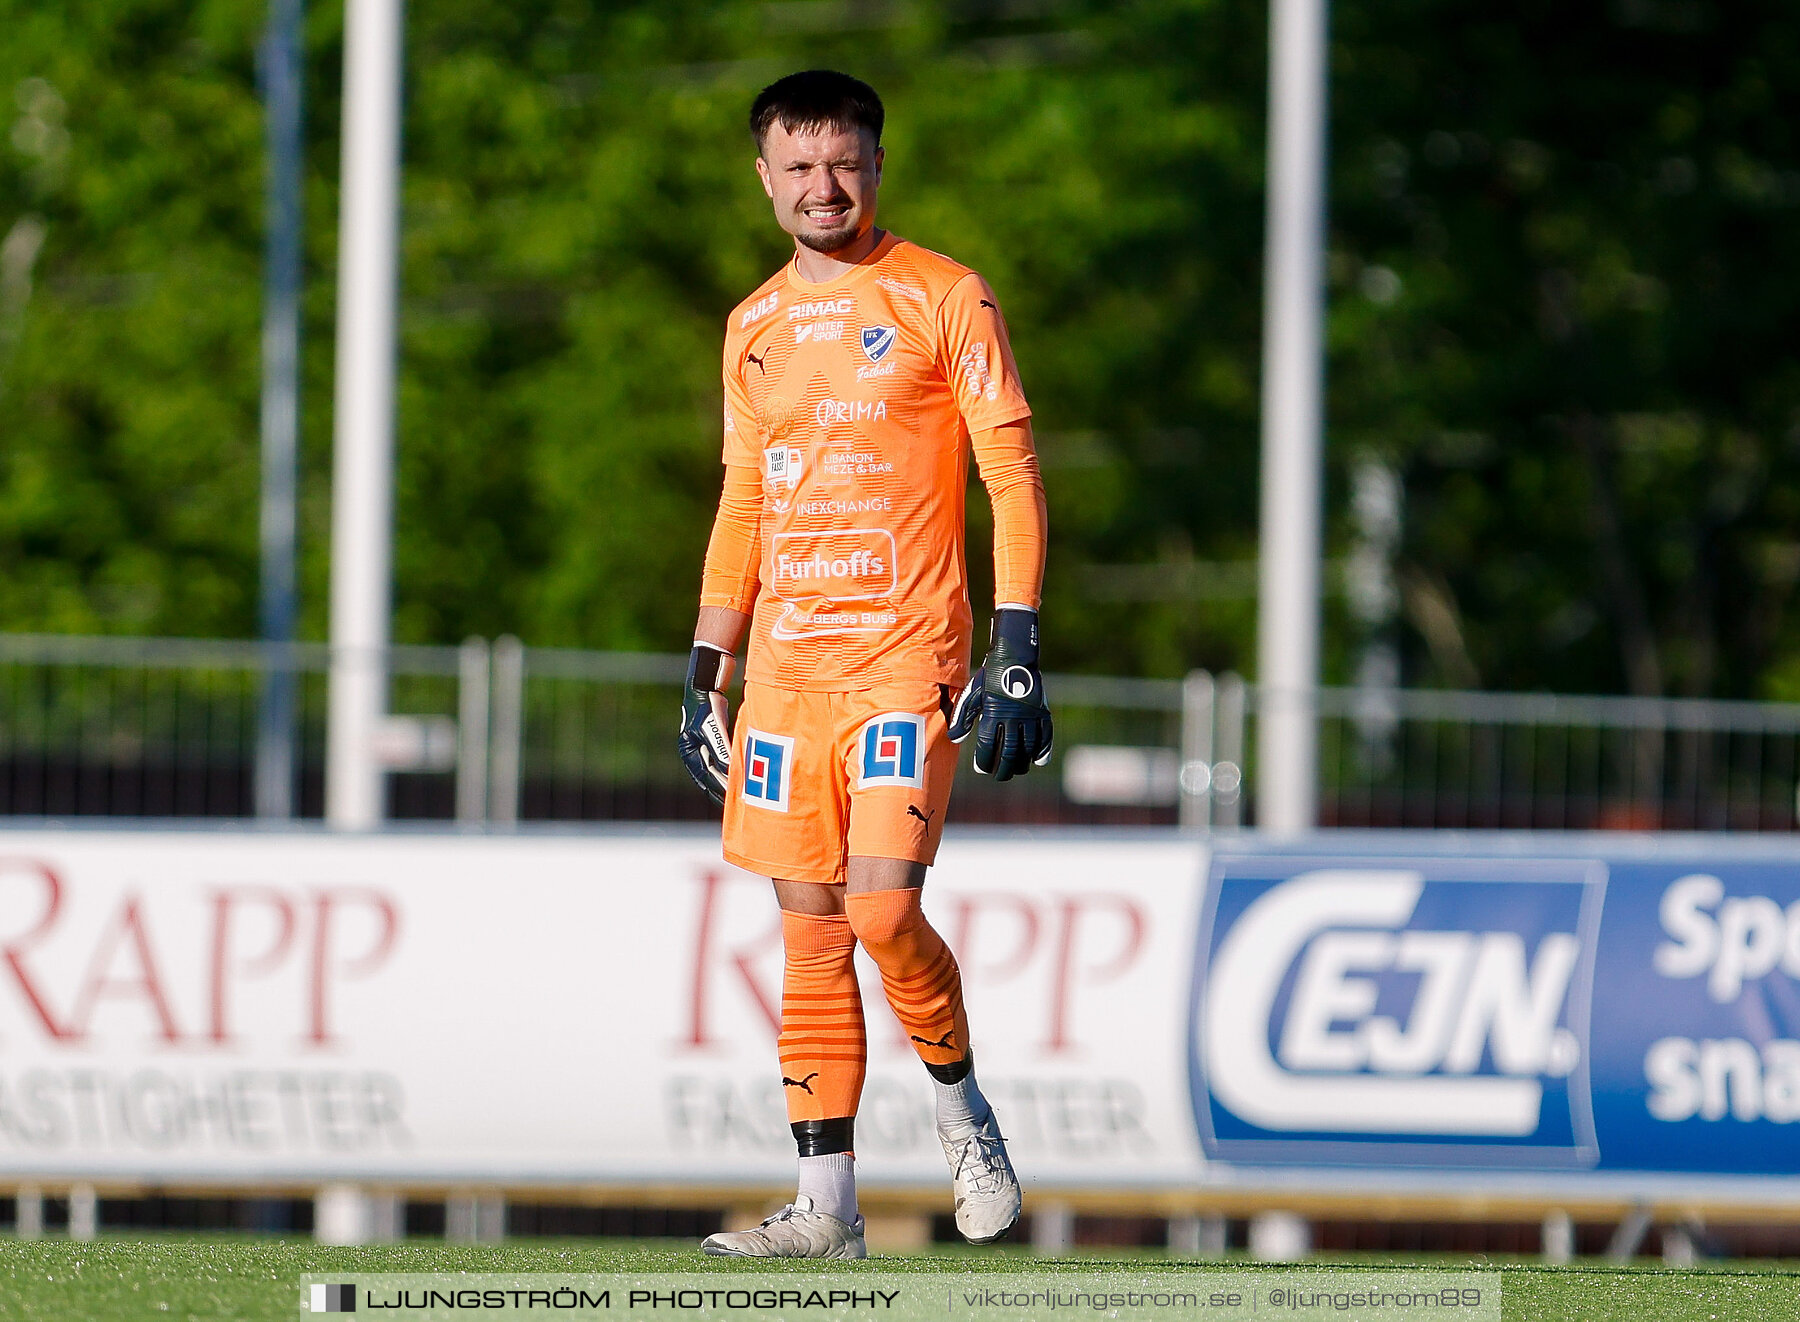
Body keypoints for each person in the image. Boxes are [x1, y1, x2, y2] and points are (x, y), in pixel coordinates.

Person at [678, 69, 1052, 1260]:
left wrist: (1018, 643)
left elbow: (1010, 469)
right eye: (799, 167)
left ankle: (962, 1111)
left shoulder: (946, 294)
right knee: (806, 925)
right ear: (765, 176)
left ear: (878, 165)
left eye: (843, 163)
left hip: (909, 656)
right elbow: (743, 496)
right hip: (787, 671)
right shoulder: (750, 327)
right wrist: (707, 666)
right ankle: (826, 1210)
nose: (822, 187)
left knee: (885, 909)